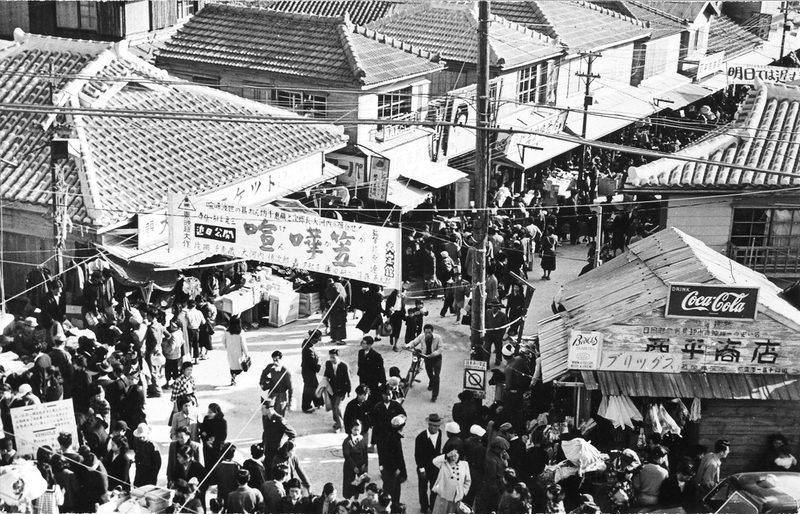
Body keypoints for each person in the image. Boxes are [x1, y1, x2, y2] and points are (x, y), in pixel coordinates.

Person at [415, 413, 444, 513]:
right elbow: (418, 455)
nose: (436, 428)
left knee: (434, 488)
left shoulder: (439, 433)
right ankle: (423, 507)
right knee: (423, 490)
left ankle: (432, 507)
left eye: (438, 426)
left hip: (434, 467)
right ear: (429, 425)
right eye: (434, 426)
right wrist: (421, 469)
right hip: (424, 467)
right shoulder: (420, 438)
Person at [406, 324, 444, 402]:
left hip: (436, 358)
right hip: (426, 358)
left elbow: (440, 349)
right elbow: (414, 342)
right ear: (424, 332)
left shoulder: (438, 338)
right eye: (426, 332)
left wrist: (433, 354)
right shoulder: (421, 337)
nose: (428, 334)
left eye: (429, 332)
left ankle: (434, 395)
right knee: (429, 373)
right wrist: (408, 346)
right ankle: (431, 382)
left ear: (432, 332)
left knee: (437, 376)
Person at [261, 397, 297, 472]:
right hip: (267, 449)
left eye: (263, 408)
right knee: (267, 470)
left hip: (276, 451)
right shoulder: (265, 417)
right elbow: (265, 432)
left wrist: (287, 447)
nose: (261, 410)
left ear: (269, 409)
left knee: (275, 472)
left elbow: (293, 434)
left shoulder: (280, 420)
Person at [430, 448, 471, 514]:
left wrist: (463, 492)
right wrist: (447, 455)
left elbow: (468, 481)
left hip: (456, 497)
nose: (453, 458)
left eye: (455, 455)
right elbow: (434, 461)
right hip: (444, 496)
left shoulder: (464, 464)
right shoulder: (444, 464)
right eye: (451, 456)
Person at [379, 414, 408, 505]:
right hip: (393, 470)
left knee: (387, 490)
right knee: (394, 493)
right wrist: (402, 472)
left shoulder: (385, 435)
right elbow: (399, 457)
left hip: (385, 469)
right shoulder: (395, 439)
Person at [371, 384, 406, 456]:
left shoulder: (396, 405)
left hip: (394, 435)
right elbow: (375, 424)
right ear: (382, 395)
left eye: (389, 394)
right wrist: (375, 440)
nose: (388, 397)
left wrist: (400, 423)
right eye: (385, 394)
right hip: (382, 436)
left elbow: (403, 415)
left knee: (397, 456)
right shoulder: (378, 407)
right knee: (383, 457)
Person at [324, 348, 351, 433]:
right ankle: (337, 421)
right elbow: (326, 375)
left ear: (338, 356)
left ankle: (340, 425)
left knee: (337, 406)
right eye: (330, 357)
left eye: (333, 357)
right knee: (333, 405)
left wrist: (349, 391)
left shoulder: (344, 366)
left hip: (342, 390)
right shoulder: (328, 364)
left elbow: (348, 379)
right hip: (332, 389)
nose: (332, 359)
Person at [260, 350, 294, 416]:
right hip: (272, 393)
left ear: (281, 359)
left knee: (279, 415)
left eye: (277, 360)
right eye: (273, 360)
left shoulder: (286, 372)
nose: (275, 362)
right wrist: (262, 383)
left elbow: (291, 387)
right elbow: (263, 373)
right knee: (269, 412)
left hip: (281, 395)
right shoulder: (270, 367)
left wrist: (290, 401)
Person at [199, 403, 228, 478]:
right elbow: (202, 431)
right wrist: (206, 441)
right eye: (208, 412)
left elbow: (223, 436)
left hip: (217, 448)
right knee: (208, 466)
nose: (208, 414)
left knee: (216, 467)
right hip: (207, 448)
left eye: (210, 413)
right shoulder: (206, 419)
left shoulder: (222, 422)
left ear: (216, 413)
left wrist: (213, 443)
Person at [342, 420, 369, 500]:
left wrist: (365, 464)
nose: (357, 432)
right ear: (351, 429)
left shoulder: (362, 440)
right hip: (350, 468)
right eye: (355, 430)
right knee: (349, 485)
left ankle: (356, 500)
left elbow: (365, 453)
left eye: (358, 430)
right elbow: (347, 456)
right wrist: (354, 467)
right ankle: (348, 501)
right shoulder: (347, 442)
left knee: (359, 484)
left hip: (361, 467)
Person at [357, 336, 386, 406]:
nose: (362, 345)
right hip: (363, 378)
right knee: (362, 394)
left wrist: (383, 382)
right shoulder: (361, 352)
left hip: (372, 380)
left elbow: (381, 369)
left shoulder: (376, 356)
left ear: (369, 345)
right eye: (362, 343)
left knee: (371, 397)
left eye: (364, 343)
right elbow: (360, 364)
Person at [301, 329, 324, 413]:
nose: (317, 342)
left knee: (314, 386)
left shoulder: (307, 343)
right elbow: (315, 367)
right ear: (313, 339)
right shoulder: (308, 350)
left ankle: (318, 403)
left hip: (307, 371)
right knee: (309, 389)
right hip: (308, 372)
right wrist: (320, 363)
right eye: (317, 340)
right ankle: (306, 407)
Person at [222, 315, 248, 387]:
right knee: (240, 367)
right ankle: (234, 377)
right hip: (238, 353)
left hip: (230, 352)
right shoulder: (240, 332)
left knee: (232, 366)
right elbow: (243, 344)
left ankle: (233, 377)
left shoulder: (227, 332)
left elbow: (223, 341)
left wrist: (226, 346)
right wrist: (246, 353)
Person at [484, 301, 509, 366]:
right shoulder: (487, 313)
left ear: (498, 307)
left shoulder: (502, 315)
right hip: (489, 334)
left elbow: (505, 326)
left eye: (495, 307)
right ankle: (486, 363)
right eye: (492, 306)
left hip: (497, 335)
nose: (493, 308)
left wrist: (501, 335)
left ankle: (498, 361)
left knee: (498, 349)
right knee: (487, 348)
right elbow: (484, 321)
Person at [326, 278, 349, 345]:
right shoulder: (340, 287)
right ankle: (339, 339)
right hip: (340, 307)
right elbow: (345, 297)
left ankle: (334, 337)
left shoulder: (329, 288)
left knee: (333, 323)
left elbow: (326, 298)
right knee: (340, 324)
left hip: (332, 308)